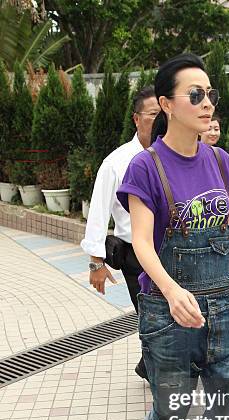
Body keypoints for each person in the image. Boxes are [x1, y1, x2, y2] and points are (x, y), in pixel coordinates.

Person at [117, 53, 229, 420]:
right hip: (169, 312)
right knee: (172, 412)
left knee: (224, 410)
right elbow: (143, 244)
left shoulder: (221, 161)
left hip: (226, 307)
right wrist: (173, 291)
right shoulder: (145, 165)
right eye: (195, 94)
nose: (206, 102)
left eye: (209, 93)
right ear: (167, 104)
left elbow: (222, 231)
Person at [81, 85, 160, 380]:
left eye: (163, 113)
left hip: (174, 252)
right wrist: (96, 263)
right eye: (152, 114)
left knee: (170, 319)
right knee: (152, 319)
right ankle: (158, 376)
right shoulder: (116, 162)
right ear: (136, 119)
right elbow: (98, 215)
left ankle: (150, 362)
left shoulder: (178, 154)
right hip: (135, 256)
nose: (159, 119)